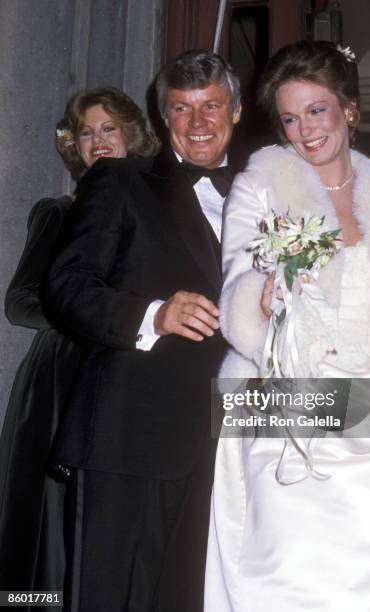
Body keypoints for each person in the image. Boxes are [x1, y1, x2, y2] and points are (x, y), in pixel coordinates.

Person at [205, 41, 370, 611]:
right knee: (299, 564)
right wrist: (266, 299)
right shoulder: (261, 184)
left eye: (316, 111)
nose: (304, 130)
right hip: (289, 376)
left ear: (348, 109)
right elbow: (238, 293)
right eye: (291, 118)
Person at [44, 49, 241, 612]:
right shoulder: (120, 180)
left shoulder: (263, 197)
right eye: (182, 108)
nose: (199, 121)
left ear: (237, 110)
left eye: (212, 106)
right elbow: (67, 287)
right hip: (127, 436)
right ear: (164, 119)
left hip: (223, 445)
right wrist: (154, 314)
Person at [0, 86, 157, 601]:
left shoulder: (157, 214)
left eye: (108, 128)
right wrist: (91, 311)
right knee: (50, 521)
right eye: (87, 133)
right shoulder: (58, 211)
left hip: (130, 376)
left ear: (131, 135)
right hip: (58, 383)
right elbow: (20, 301)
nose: (97, 141)